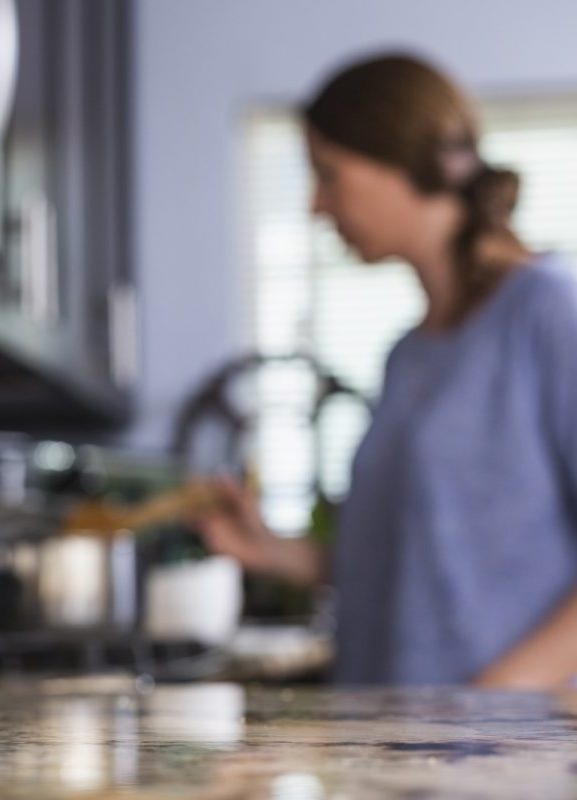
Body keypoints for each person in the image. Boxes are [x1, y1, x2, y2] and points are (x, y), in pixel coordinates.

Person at [199, 53, 577, 689]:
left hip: (499, 770)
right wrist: (274, 551)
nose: (317, 205)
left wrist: (482, 707)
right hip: (390, 762)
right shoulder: (407, 353)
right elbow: (421, 562)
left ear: (404, 164)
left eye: (328, 175)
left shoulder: (548, 310)